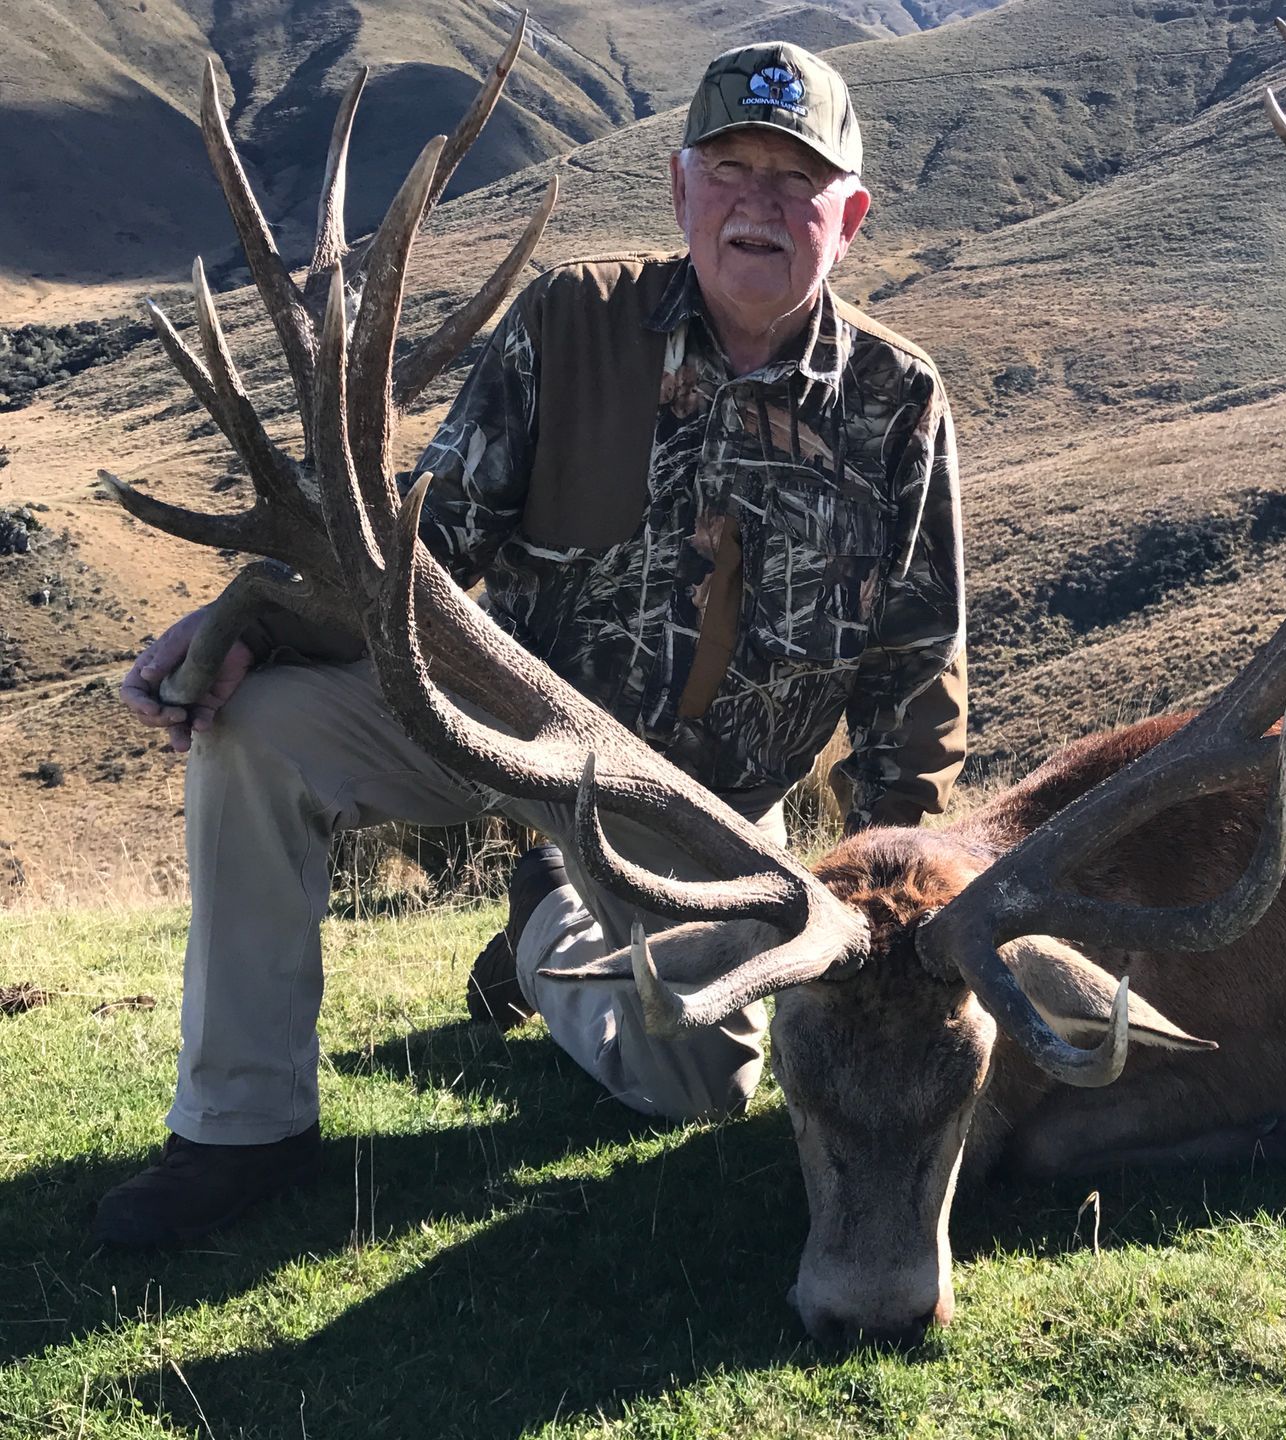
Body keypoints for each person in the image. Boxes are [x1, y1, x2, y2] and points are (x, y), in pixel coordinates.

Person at [97, 42, 966, 1248]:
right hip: (489, 727)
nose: (759, 203)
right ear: (680, 190)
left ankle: (543, 921)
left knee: (697, 1082)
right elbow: (427, 544)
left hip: (700, 811)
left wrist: (899, 913)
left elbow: (914, 671)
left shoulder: (897, 403)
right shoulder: (573, 319)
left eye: (795, 180)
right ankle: (240, 1131)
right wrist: (251, 622)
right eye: (731, 168)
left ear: (849, 217)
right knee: (257, 737)